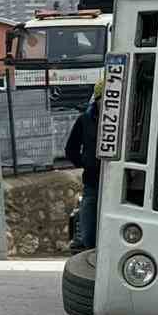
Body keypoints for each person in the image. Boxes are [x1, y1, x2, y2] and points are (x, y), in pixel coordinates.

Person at [64, 82, 103, 251]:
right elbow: (71, 148)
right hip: (93, 179)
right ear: (98, 99)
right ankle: (88, 246)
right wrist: (85, 162)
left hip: (118, 180)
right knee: (89, 222)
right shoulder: (85, 120)